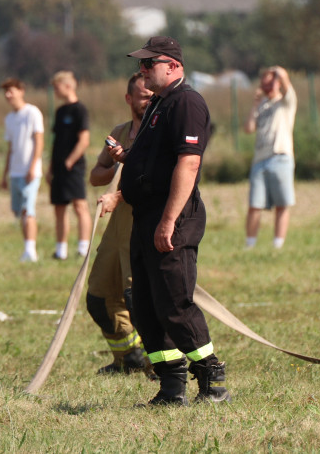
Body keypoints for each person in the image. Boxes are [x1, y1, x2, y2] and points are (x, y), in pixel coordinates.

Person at [104, 36, 229, 405]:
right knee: (145, 305)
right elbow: (152, 161)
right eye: (140, 65)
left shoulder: (187, 102)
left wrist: (168, 221)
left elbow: (188, 163)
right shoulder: (160, 105)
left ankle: (211, 379)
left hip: (171, 217)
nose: (141, 71)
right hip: (146, 217)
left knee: (175, 304)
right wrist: (126, 159)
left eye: (148, 64)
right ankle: (171, 386)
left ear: (173, 65)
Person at [87, 72, 155, 376]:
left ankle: (162, 366)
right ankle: (128, 358)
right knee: (99, 298)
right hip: (117, 225)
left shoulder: (158, 133)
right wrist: (114, 162)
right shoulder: (121, 131)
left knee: (138, 298)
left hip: (143, 220)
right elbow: (96, 175)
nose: (149, 100)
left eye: (153, 95)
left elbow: (155, 179)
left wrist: (124, 176)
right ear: (129, 99)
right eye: (143, 96)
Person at [243, 66, 297, 249]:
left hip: (280, 157)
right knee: (254, 204)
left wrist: (276, 73)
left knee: (282, 204)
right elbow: (249, 128)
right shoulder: (262, 106)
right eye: (264, 84)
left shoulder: (286, 102)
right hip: (260, 160)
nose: (267, 87)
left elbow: (286, 80)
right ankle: (250, 244)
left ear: (278, 84)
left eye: (270, 83)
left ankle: (278, 245)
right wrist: (255, 104)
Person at [47, 71, 93, 259]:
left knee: (79, 206)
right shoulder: (59, 112)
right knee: (59, 206)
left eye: (57, 88)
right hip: (58, 166)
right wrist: (51, 167)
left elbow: (84, 140)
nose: (55, 92)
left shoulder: (80, 110)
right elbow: (56, 141)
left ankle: (83, 247)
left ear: (67, 86)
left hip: (73, 167)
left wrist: (70, 161)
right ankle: (61, 249)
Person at [1, 78, 45, 263]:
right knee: (19, 211)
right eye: (6, 92)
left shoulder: (32, 112)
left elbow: (39, 141)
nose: (7, 95)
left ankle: (31, 250)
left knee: (29, 209)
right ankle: (26, 248)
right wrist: (5, 174)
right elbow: (11, 148)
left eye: (11, 90)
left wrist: (33, 166)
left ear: (21, 91)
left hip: (30, 171)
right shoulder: (9, 118)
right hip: (15, 172)